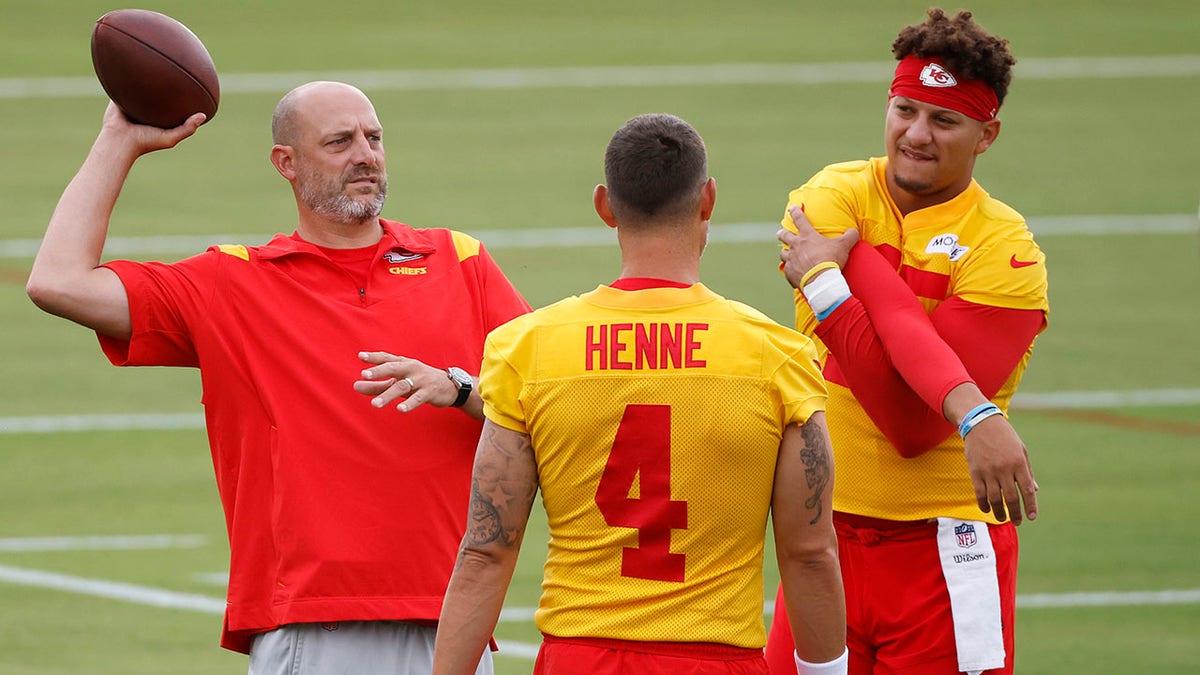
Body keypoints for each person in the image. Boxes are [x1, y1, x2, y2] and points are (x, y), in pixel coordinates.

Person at [25, 81, 530, 673]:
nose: (365, 155)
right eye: (339, 142)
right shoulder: (233, 283)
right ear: (285, 163)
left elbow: (545, 403)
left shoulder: (459, 259)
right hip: (316, 629)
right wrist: (120, 140)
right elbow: (58, 281)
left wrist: (462, 388)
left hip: (453, 622)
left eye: (373, 138)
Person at [421, 113, 847, 675]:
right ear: (708, 199)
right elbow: (810, 554)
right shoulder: (778, 356)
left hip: (578, 658)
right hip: (716, 660)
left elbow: (487, 550)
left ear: (604, 206)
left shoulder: (525, 349)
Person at [764, 8, 1048, 675]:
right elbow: (896, 349)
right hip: (821, 540)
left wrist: (837, 273)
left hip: (947, 551)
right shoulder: (830, 193)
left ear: (988, 134)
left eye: (943, 120)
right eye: (904, 109)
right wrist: (973, 410)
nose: (915, 135)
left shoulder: (1007, 250)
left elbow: (907, 418)